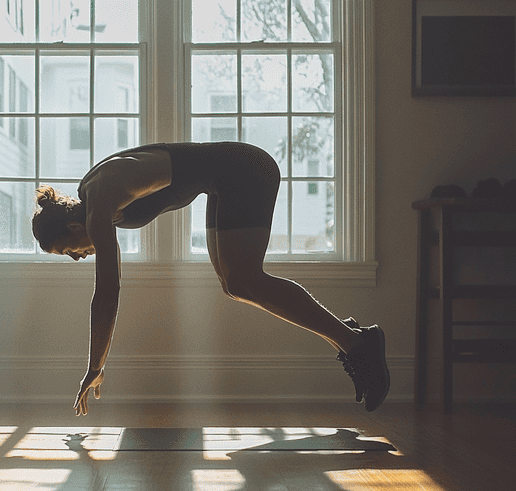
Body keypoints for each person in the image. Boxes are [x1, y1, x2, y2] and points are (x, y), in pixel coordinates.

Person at [31, 142, 390, 416]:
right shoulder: (93, 198)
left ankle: (357, 343)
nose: (78, 257)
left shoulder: (99, 202)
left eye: (69, 251)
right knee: (236, 284)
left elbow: (107, 293)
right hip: (222, 182)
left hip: (245, 170)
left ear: (73, 226)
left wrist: (94, 368)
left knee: (247, 279)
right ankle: (352, 338)